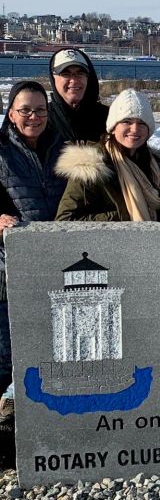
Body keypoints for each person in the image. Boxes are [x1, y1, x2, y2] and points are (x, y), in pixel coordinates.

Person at [0, 81, 67, 428]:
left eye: (40, 110)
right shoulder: (1, 151)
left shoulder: (63, 150)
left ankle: (41, 420)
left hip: (56, 261)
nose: (34, 117)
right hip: (10, 263)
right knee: (8, 348)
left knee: (51, 343)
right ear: (11, 113)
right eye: (25, 110)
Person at [55, 89, 160, 221]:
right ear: (113, 127)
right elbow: (65, 219)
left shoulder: (155, 166)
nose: (135, 129)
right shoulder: (91, 166)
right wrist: (124, 215)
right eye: (127, 122)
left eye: (142, 123)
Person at [47, 48, 109, 142]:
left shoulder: (108, 118)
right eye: (66, 74)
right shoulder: (42, 119)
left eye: (80, 73)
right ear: (53, 77)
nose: (74, 80)